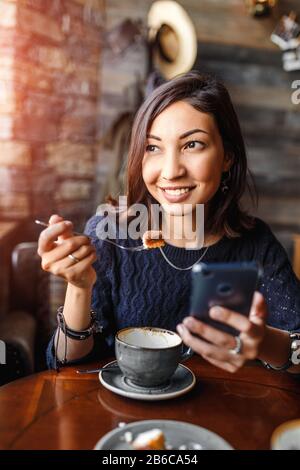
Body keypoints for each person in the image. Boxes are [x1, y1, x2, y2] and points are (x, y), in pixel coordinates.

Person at [38, 71, 300, 374]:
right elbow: (66, 364)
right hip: (125, 416)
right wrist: (79, 287)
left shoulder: (256, 244)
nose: (171, 171)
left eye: (192, 145)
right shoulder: (111, 233)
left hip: (222, 416)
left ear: (227, 156)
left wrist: (264, 342)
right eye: (153, 147)